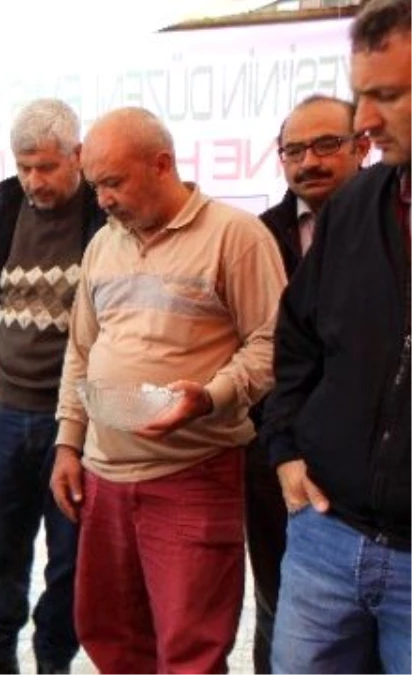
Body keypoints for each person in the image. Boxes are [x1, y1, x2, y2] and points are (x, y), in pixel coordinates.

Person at [48, 107, 286, 673]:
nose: (101, 199)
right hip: (103, 477)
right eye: (95, 186)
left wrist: (210, 395)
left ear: (162, 164)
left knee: (190, 647)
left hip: (193, 473)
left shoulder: (236, 236)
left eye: (113, 182)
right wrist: (67, 443)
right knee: (109, 633)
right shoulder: (104, 245)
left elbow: (273, 343)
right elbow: (80, 349)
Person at [263, 2, 412, 672]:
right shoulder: (358, 205)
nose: (367, 121)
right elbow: (296, 338)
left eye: (388, 95)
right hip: (326, 538)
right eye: (362, 97)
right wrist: (286, 446)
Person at [0, 99, 105, 675]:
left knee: (71, 558)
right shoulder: (5, 209)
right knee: (2, 549)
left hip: (79, 423)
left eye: (46, 167)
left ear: (77, 157)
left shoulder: (102, 215)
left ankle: (53, 658)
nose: (33, 180)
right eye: (24, 166)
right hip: (8, 413)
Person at [247, 94, 369, 675]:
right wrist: (279, 446)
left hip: (373, 477)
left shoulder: (392, 232)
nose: (309, 162)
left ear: (363, 146)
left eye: (327, 145)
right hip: (276, 460)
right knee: (278, 606)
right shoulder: (256, 236)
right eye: (294, 150)